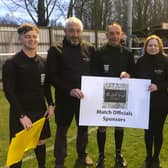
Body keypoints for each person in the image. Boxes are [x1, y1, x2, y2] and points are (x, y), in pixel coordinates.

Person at [2, 23, 54, 168]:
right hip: (21, 114)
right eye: (27, 37)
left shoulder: (43, 62)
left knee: (40, 142)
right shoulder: (12, 63)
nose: (31, 39)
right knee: (18, 149)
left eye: (34, 36)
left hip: (40, 111)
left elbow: (46, 86)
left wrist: (50, 104)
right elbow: (9, 92)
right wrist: (21, 115)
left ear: (38, 39)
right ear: (20, 39)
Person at [46, 17, 95, 168]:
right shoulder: (55, 50)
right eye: (71, 31)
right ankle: (59, 162)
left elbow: (96, 72)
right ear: (65, 31)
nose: (75, 34)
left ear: (82, 32)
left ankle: (83, 155)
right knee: (62, 130)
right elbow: (52, 76)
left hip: (85, 99)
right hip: (64, 99)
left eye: (78, 31)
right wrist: (69, 90)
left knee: (83, 129)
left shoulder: (90, 48)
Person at [91, 23, 135, 168]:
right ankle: (101, 156)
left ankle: (118, 154)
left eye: (117, 33)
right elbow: (93, 74)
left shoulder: (128, 53)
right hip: (102, 96)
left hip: (121, 95)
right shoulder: (98, 53)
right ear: (107, 34)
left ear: (121, 34)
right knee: (102, 127)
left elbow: (133, 74)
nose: (115, 36)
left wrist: (128, 75)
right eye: (112, 33)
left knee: (119, 126)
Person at [136, 35, 168, 168]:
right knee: (147, 131)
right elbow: (135, 79)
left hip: (161, 102)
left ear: (159, 46)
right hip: (144, 103)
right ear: (146, 47)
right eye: (150, 45)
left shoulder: (166, 60)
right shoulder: (141, 61)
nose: (153, 47)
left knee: (158, 131)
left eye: (155, 45)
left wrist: (158, 86)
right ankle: (148, 157)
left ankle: (156, 158)